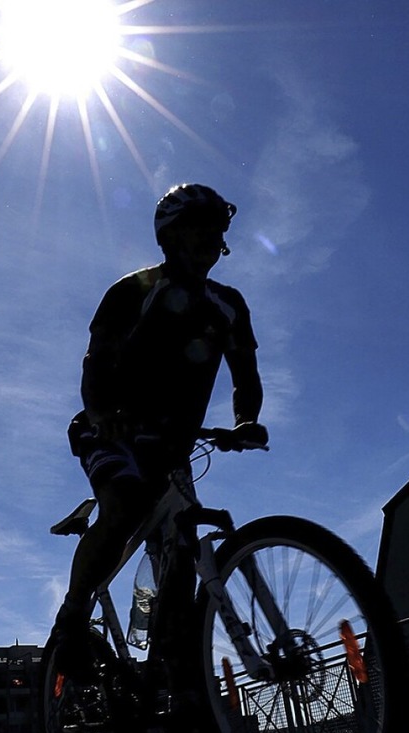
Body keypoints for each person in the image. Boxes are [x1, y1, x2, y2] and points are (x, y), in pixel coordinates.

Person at [53, 183, 268, 678]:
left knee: (182, 550)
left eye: (218, 231)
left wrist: (245, 422)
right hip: (110, 432)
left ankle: (171, 678)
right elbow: (95, 364)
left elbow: (246, 378)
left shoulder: (229, 304)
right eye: (200, 228)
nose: (211, 240)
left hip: (172, 449)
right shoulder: (133, 291)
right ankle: (71, 619)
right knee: (123, 505)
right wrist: (102, 412)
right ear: (170, 236)